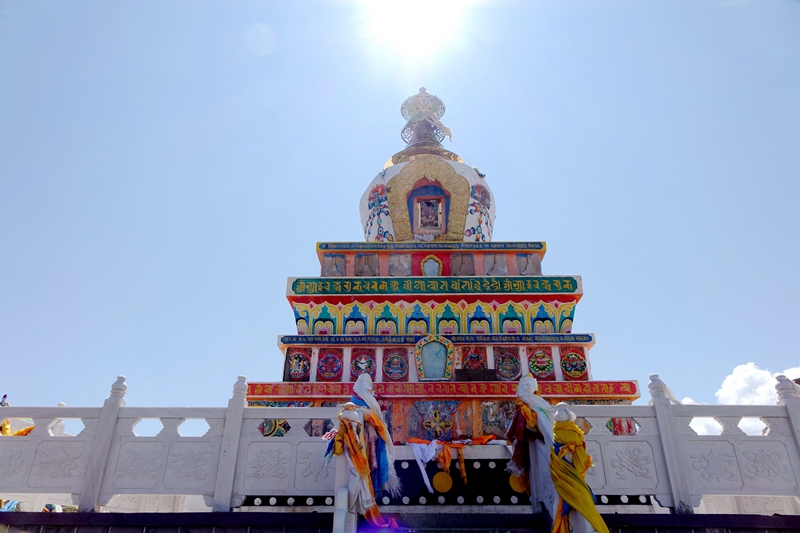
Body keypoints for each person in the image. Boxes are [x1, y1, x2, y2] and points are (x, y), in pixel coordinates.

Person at [549, 402, 609, 533]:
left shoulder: (556, 437)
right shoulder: (576, 436)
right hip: (574, 474)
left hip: (562, 476)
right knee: (582, 498)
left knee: (561, 499)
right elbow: (581, 461)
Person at [506, 374, 556, 518]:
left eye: (529, 386)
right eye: (525, 386)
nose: (526, 390)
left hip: (543, 443)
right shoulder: (525, 407)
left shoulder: (534, 406)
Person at [349, 373, 401, 497]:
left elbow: (375, 414)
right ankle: (363, 493)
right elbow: (356, 412)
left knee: (375, 461)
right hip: (361, 436)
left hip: (375, 437)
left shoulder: (370, 397)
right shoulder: (355, 398)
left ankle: (371, 493)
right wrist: (370, 426)